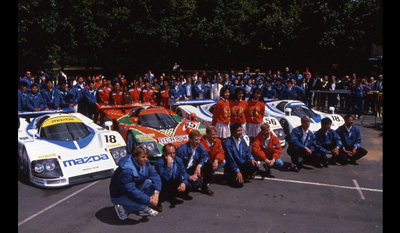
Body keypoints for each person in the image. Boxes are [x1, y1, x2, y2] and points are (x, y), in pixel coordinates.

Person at [109, 145, 162, 220]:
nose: (146, 159)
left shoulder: (145, 163)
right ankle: (121, 207)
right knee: (140, 206)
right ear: (135, 157)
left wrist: (156, 193)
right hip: (119, 194)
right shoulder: (127, 170)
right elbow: (130, 190)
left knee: (150, 182)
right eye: (143, 157)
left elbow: (155, 176)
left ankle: (140, 208)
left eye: (146, 156)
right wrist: (149, 200)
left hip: (134, 187)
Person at [175, 130, 213, 195]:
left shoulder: (199, 146)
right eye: (196, 140)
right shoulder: (181, 150)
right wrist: (188, 177)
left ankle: (205, 186)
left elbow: (206, 155)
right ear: (190, 140)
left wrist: (199, 166)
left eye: (199, 140)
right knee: (189, 188)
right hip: (184, 170)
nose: (198, 142)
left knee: (208, 164)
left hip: (193, 168)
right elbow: (178, 168)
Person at [155, 144, 190, 209]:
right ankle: (158, 202)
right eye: (170, 153)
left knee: (188, 186)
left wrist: (184, 182)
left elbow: (183, 172)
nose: (172, 155)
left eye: (174, 153)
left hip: (173, 181)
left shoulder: (178, 160)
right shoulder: (159, 162)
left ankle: (172, 196)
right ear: (164, 153)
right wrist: (168, 165)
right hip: (163, 184)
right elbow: (165, 177)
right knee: (162, 194)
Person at [224, 123, 260, 188]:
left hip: (241, 163)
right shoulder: (228, 143)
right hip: (232, 167)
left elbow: (247, 151)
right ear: (233, 132)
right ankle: (230, 176)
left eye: (241, 130)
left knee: (255, 165)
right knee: (239, 185)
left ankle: (243, 174)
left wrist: (251, 158)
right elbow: (230, 160)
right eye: (238, 131)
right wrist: (237, 171)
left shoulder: (242, 139)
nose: (240, 132)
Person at [200, 126, 226, 191]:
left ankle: (211, 174)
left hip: (213, 162)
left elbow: (221, 152)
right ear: (207, 134)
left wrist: (216, 160)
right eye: (213, 134)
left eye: (215, 134)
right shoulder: (201, 142)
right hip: (204, 163)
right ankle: (204, 176)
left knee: (223, 161)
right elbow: (203, 156)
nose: (214, 136)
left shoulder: (218, 141)